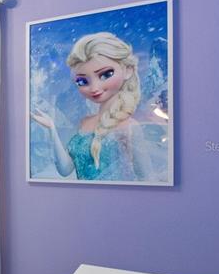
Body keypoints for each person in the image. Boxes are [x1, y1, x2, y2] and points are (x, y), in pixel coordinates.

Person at [31, 31, 149, 180]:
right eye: (82, 81)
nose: (94, 88)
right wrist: (51, 128)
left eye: (106, 74)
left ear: (128, 71)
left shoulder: (129, 127)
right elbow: (65, 169)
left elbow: (146, 177)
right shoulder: (84, 123)